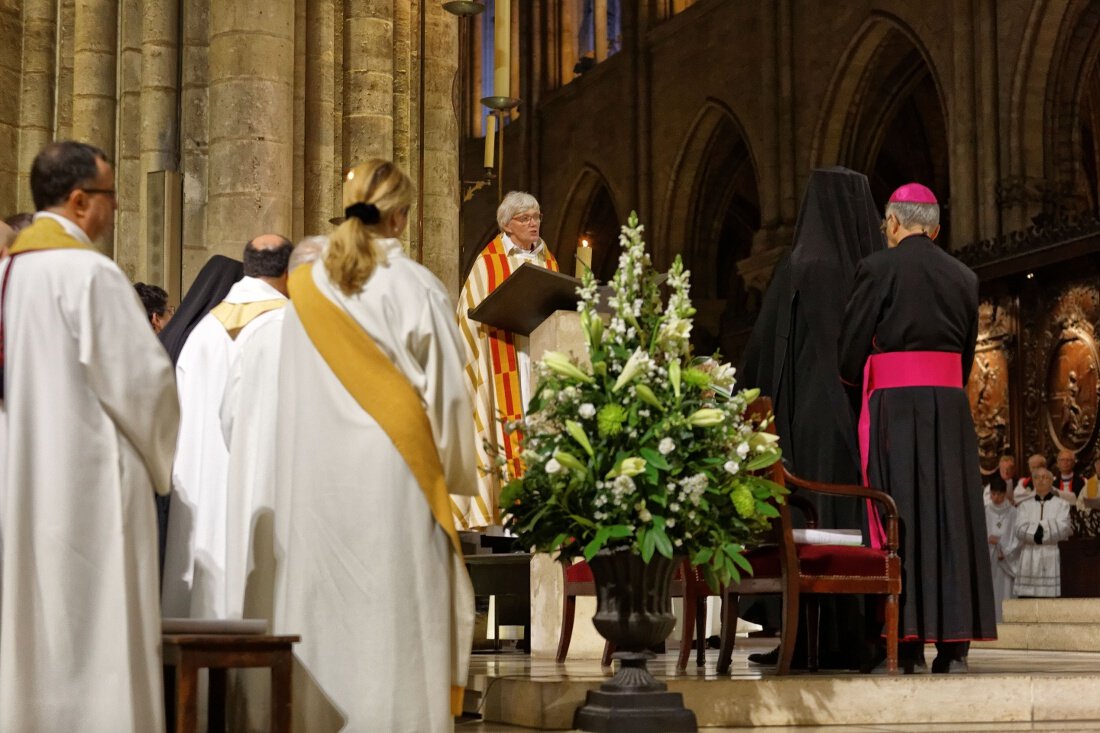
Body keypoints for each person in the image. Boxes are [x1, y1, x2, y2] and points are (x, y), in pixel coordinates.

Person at [272, 160, 476, 731]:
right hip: (395, 476)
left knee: (325, 612)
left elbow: (287, 388)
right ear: (402, 217)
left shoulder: (306, 289)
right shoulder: (415, 286)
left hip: (314, 479)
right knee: (394, 614)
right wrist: (457, 478)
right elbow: (451, 398)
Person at [0, 141, 179, 731]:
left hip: (28, 473)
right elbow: (146, 386)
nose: (117, 205)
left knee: (41, 626)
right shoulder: (88, 274)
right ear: (79, 201)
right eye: (108, 194)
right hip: (94, 481)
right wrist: (159, 466)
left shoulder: (11, 272)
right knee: (102, 629)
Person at [839, 182, 996, 674]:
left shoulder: (876, 268)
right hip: (949, 410)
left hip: (895, 412)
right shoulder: (964, 276)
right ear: (936, 228)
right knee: (951, 519)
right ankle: (954, 649)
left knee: (899, 518)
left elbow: (849, 354)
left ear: (892, 223)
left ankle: (903, 643)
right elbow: (966, 354)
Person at [738, 166, 885, 670]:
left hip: (798, 425)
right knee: (853, 524)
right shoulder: (871, 267)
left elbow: (759, 356)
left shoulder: (796, 264)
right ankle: (862, 638)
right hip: (858, 416)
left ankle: (802, 638)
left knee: (804, 522)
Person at [221, 236, 324, 731]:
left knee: (260, 601)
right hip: (302, 495)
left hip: (252, 495)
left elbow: (227, 414)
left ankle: (252, 713)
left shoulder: (256, 332)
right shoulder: (316, 333)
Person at [162, 235, 292, 619]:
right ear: (288, 271)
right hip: (258, 483)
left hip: (200, 481)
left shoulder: (202, 331)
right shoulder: (286, 324)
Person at [454, 191, 559, 529]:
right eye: (525, 218)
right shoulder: (489, 263)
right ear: (506, 225)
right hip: (504, 361)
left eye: (537, 216)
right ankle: (510, 520)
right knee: (511, 427)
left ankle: (547, 515)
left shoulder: (549, 262)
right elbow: (468, 318)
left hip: (539, 358)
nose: (533, 224)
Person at [1014, 468, 1072, 597]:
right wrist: (1046, 528)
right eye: (1037, 477)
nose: (1040, 480)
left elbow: (1063, 528)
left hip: (1051, 555)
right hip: (1029, 557)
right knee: (1028, 603)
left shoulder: (1062, 505)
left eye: (1045, 477)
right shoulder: (1024, 506)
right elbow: (1019, 528)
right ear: (1033, 481)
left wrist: (1037, 529)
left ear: (1051, 481)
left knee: (1050, 604)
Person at [985, 482, 1019, 622]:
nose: (996, 497)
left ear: (1005, 494)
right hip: (991, 558)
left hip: (1006, 560)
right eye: (993, 494)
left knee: (1005, 590)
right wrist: (988, 538)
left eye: (999, 494)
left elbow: (1017, 536)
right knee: (991, 591)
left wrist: (1004, 548)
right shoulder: (985, 510)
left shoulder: (1013, 512)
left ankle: (1007, 622)